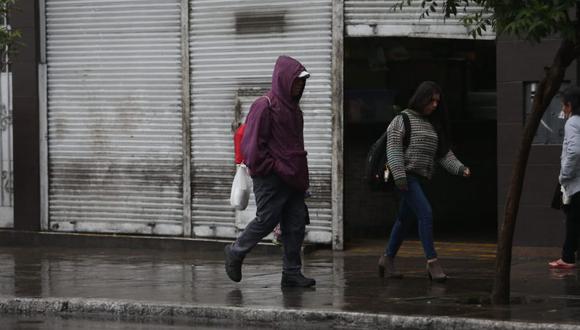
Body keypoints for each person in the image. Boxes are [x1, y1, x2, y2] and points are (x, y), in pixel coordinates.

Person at [224, 55, 315, 288]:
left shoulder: (295, 112)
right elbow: (252, 148)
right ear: (283, 80)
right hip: (271, 178)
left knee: (295, 225)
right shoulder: (264, 106)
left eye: (302, 82)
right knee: (267, 220)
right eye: (296, 81)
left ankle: (291, 273)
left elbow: (296, 147)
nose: (299, 86)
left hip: (293, 178)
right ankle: (235, 252)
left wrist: (300, 177)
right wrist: (272, 167)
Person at [378, 81, 471, 282]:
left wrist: (461, 169)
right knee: (426, 213)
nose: (435, 105)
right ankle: (432, 262)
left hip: (419, 178)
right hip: (405, 177)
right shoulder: (402, 119)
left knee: (404, 220)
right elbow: (393, 148)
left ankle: (387, 259)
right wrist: (400, 176)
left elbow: (444, 155)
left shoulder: (432, 125)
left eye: (438, 101)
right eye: (431, 100)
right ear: (421, 98)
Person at [549, 86, 580, 269]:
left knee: (573, 221)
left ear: (570, 105)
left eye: (563, 105)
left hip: (575, 183)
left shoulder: (573, 122)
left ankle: (567, 258)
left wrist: (564, 175)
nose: (562, 109)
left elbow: (574, 151)